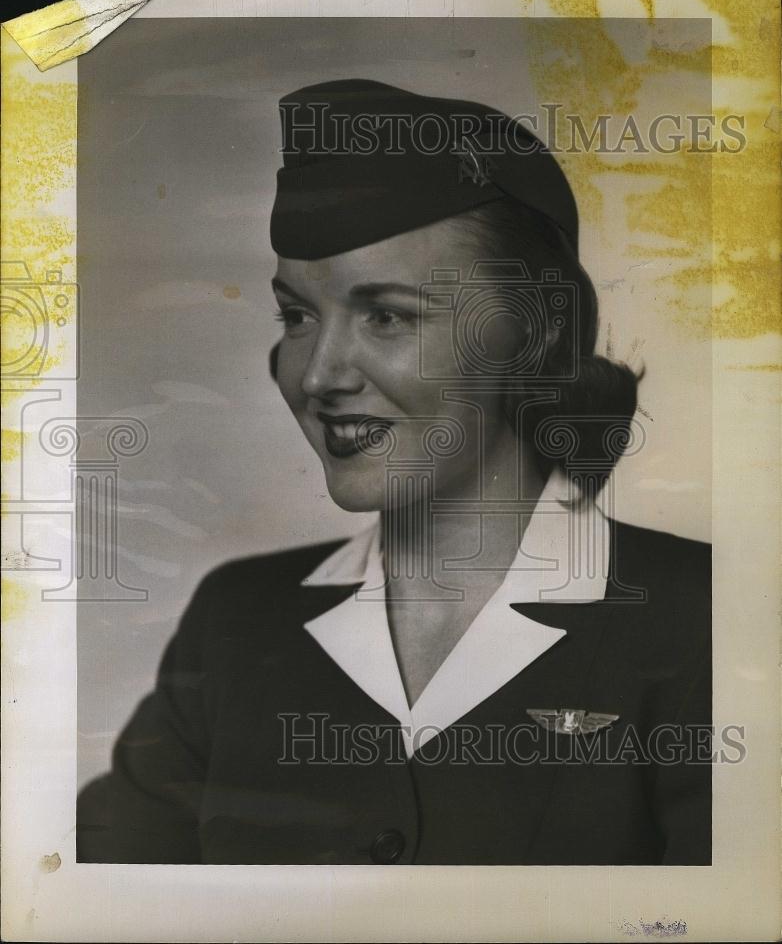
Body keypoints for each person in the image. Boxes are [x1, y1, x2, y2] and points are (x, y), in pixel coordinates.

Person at [77, 80, 711, 865]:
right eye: (298, 316)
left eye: (387, 315)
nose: (318, 375)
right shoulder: (236, 621)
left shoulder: (709, 621)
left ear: (535, 333)